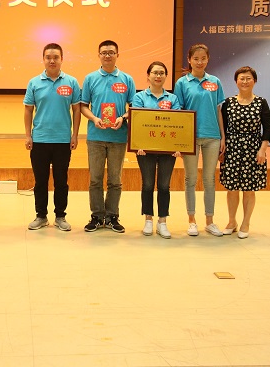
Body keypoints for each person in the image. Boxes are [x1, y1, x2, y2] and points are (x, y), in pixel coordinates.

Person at [80, 40, 136, 233]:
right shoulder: (90, 78)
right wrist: (94, 118)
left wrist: (123, 117)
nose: (107, 56)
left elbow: (133, 108)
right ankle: (97, 216)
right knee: (95, 179)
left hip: (118, 137)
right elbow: (83, 106)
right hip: (95, 136)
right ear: (99, 55)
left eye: (111, 52)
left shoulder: (127, 79)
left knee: (115, 180)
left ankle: (112, 216)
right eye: (104, 52)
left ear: (117, 55)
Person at [24, 43, 81, 231]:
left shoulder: (71, 82)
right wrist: (28, 135)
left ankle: (60, 216)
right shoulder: (34, 82)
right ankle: (41, 216)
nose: (52, 60)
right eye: (48, 57)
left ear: (62, 59)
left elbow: (76, 110)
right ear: (43, 59)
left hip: (63, 140)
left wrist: (75, 135)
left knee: (61, 181)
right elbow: (28, 110)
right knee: (40, 181)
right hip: (39, 139)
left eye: (56, 57)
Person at [173, 43, 225, 237]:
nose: (200, 62)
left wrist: (222, 136)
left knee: (209, 179)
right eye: (196, 58)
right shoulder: (182, 83)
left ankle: (210, 221)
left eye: (203, 58)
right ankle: (192, 220)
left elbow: (218, 110)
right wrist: (179, 141)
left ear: (208, 59)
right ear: (189, 60)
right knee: (190, 179)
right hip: (190, 138)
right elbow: (179, 112)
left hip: (212, 136)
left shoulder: (215, 81)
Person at [220, 66, 270, 239]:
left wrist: (262, 150)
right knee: (232, 188)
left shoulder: (261, 102)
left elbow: (267, 129)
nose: (245, 81)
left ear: (254, 81)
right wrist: (222, 148)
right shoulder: (228, 102)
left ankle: (245, 223)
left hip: (253, 150)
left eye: (248, 78)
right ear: (236, 81)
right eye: (241, 78)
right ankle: (231, 221)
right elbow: (223, 128)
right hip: (232, 149)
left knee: (249, 189)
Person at [131, 61, 181, 239]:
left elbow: (178, 123)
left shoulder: (173, 99)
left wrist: (177, 146)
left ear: (166, 76)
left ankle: (162, 222)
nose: (158, 76)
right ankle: (148, 220)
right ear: (148, 75)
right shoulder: (139, 97)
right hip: (145, 150)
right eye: (155, 73)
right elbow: (137, 122)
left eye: (161, 73)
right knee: (147, 184)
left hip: (168, 150)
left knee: (164, 186)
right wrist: (138, 144)